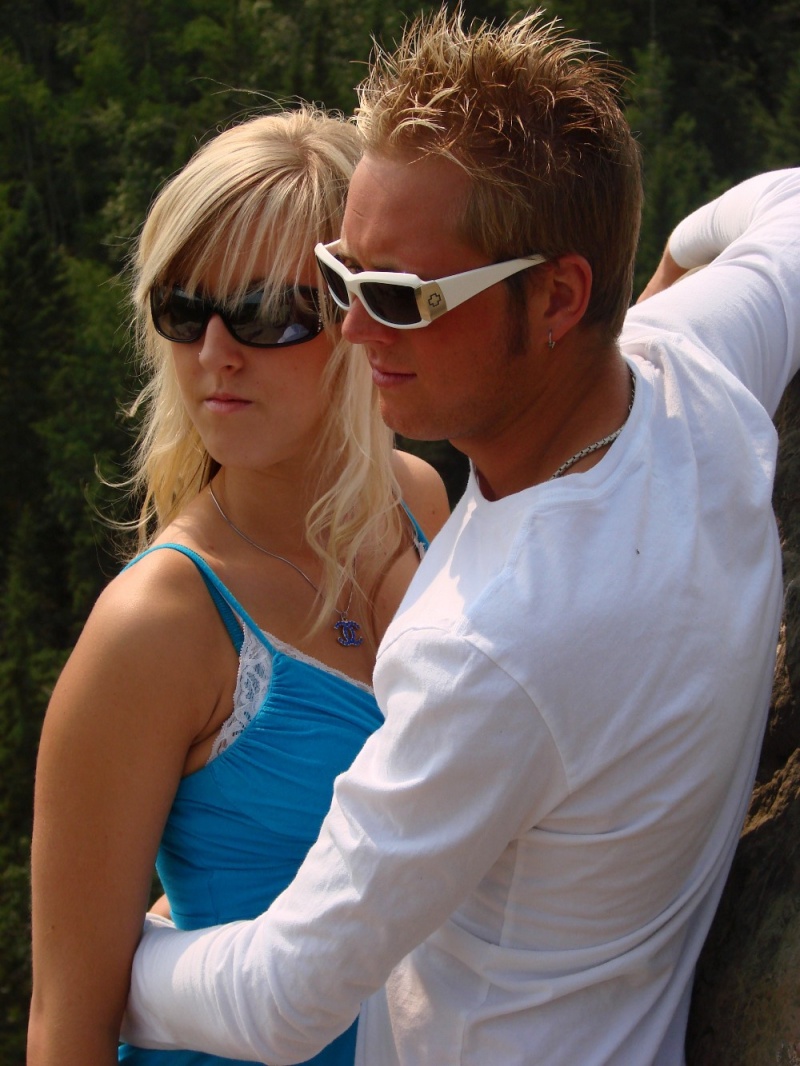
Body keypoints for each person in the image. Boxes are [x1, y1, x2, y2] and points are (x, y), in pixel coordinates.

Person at [120, 10, 800, 1065]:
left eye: (398, 297)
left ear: (557, 297)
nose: (351, 330)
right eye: (342, 275)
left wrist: (124, 961)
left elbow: (282, 999)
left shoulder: (491, 640)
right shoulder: (696, 376)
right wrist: (663, 271)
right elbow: (787, 206)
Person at [26, 104, 449, 1066]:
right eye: (183, 308)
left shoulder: (417, 501)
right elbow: (67, 1024)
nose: (215, 352)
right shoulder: (160, 626)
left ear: (357, 313)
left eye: (263, 312)